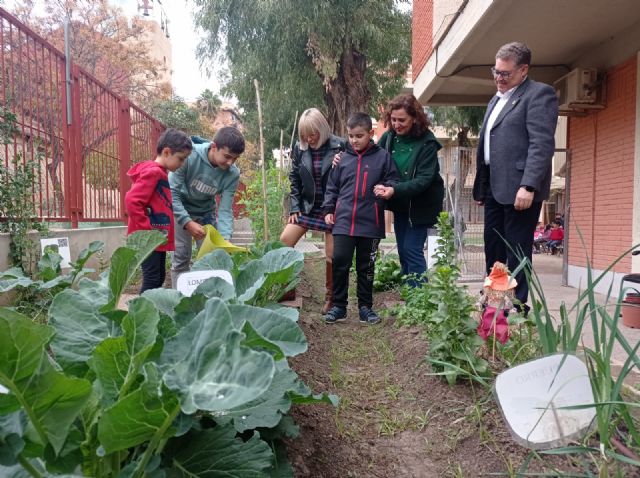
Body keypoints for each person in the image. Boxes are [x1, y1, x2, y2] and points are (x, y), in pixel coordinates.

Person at [472, 41, 558, 310]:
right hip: (495, 189)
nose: (498, 78)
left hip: (520, 190)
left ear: (523, 70)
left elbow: (541, 144)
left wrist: (529, 185)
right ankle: (495, 301)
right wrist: (483, 186)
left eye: (505, 73)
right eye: (495, 72)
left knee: (517, 251)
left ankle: (516, 308)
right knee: (493, 247)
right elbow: (489, 144)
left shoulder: (538, 95)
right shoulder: (495, 100)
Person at [321, 112, 399, 324]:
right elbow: (331, 187)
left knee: (367, 267)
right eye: (351, 136)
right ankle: (339, 307)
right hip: (343, 222)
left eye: (359, 136)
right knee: (340, 263)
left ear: (371, 134)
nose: (354, 140)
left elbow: (394, 180)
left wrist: (387, 187)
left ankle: (365, 307)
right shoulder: (342, 159)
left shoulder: (383, 158)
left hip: (370, 223)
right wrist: (329, 210)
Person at [280, 108, 346, 312]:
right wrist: (295, 207)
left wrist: (344, 165)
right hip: (308, 207)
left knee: (331, 255)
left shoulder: (340, 145)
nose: (308, 139)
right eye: (304, 135)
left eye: (312, 134)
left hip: (331, 208)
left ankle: (331, 298)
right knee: (283, 242)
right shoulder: (301, 148)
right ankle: (287, 289)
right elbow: (295, 178)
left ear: (322, 129)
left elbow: (351, 175)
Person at [374, 94, 445, 287]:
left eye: (402, 120)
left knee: (412, 249)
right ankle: (409, 293)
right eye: (393, 119)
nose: (397, 124)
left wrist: (393, 189)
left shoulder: (427, 142)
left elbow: (423, 180)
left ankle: (419, 298)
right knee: (403, 251)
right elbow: (371, 156)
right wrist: (344, 155)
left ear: (415, 118)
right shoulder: (389, 138)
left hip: (421, 206)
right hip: (401, 204)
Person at [169, 126, 245, 286]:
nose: (231, 162)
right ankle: (179, 299)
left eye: (235, 159)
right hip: (181, 209)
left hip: (205, 213)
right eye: (227, 156)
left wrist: (225, 239)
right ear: (213, 147)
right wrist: (187, 222)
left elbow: (225, 209)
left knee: (210, 259)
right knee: (181, 256)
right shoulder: (188, 156)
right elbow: (172, 194)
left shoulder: (232, 174)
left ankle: (206, 301)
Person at [125, 128, 193, 293]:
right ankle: (142, 314)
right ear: (167, 152)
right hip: (149, 239)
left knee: (158, 277)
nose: (182, 164)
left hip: (155, 240)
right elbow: (132, 201)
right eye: (181, 159)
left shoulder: (160, 173)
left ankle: (150, 313)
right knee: (152, 278)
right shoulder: (153, 172)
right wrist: (147, 232)